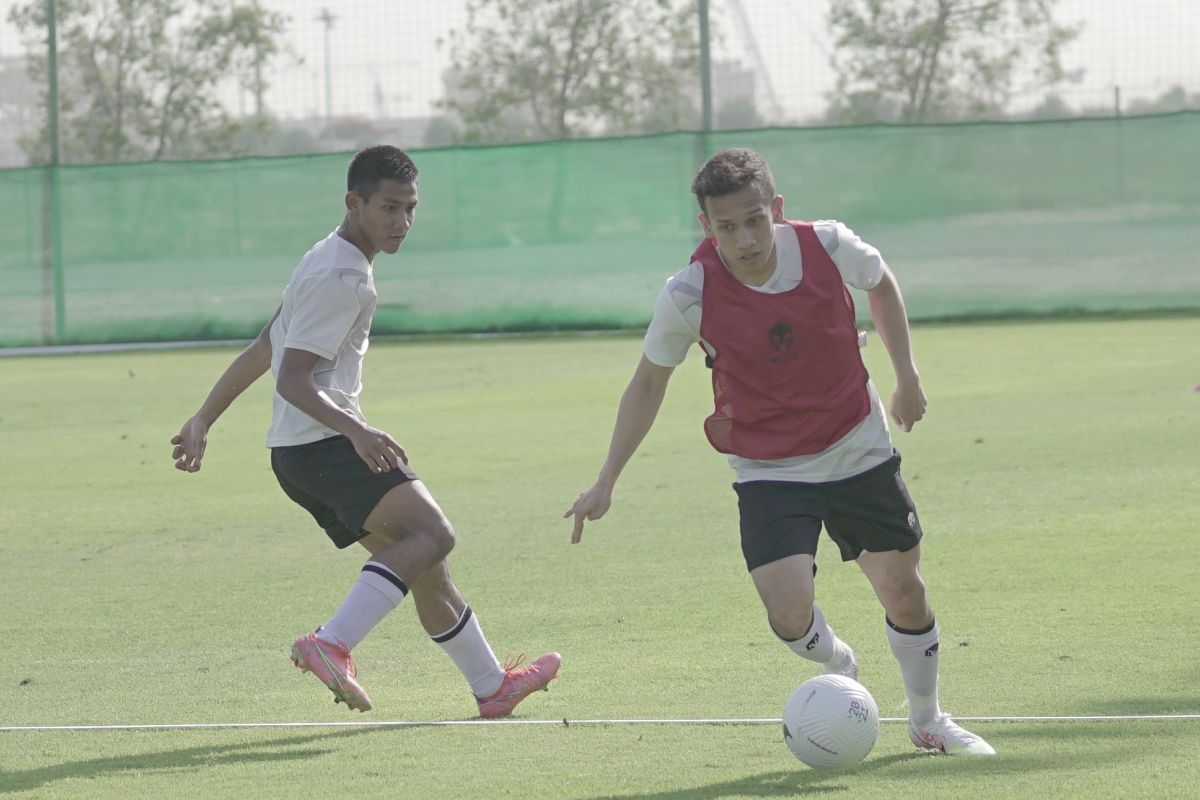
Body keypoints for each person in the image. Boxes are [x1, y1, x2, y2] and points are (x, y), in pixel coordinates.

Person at [564, 148, 993, 755]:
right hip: (768, 467)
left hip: (856, 447)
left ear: (777, 210)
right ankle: (840, 663)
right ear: (706, 227)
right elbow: (648, 382)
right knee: (789, 613)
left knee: (905, 590)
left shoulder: (827, 244)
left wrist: (907, 376)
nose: (744, 238)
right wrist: (607, 477)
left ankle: (928, 718)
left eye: (755, 220)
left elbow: (881, 283)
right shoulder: (688, 293)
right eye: (727, 226)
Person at [171, 145, 559, 717]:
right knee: (434, 534)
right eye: (388, 207)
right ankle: (332, 642)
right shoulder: (344, 277)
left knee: (427, 565)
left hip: (296, 454)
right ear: (354, 203)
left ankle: (492, 687)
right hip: (323, 445)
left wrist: (204, 416)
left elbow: (264, 345)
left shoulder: (322, 256)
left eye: (410, 208)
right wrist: (358, 431)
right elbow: (294, 378)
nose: (401, 222)